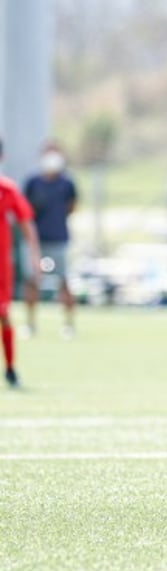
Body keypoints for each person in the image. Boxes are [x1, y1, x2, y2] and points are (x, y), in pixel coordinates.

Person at [22, 142, 77, 339]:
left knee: (63, 281)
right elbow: (25, 210)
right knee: (32, 281)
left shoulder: (67, 183)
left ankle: (69, 325)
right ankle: (30, 324)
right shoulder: (33, 182)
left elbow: (72, 207)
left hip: (59, 240)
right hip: (36, 241)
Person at [0, 137, 42, 388]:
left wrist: (34, 256)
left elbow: (26, 223)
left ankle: (11, 367)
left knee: (3, 313)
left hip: (1, 266)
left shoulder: (8, 189)